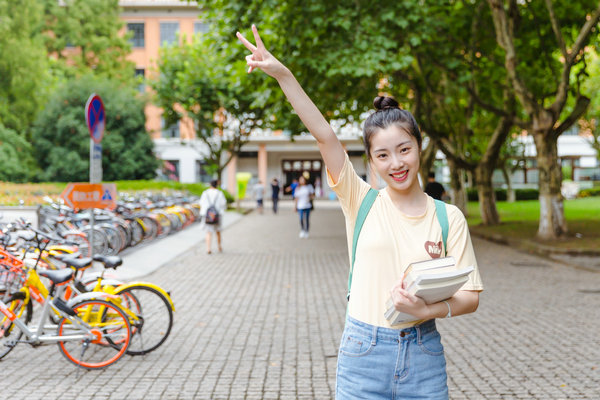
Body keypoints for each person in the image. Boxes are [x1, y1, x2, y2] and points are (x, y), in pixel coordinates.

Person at [238, 25, 483, 399]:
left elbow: (471, 298)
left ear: (420, 148)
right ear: (371, 162)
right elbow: (325, 136)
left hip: (423, 353)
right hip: (362, 353)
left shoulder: (449, 217)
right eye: (382, 155)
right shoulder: (361, 199)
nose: (396, 163)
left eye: (404, 149)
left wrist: (428, 308)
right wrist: (283, 74)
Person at [199, 179, 227, 254]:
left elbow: (201, 203)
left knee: (208, 232)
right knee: (218, 231)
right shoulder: (219, 193)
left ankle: (208, 248)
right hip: (217, 215)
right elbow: (223, 203)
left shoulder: (205, 193)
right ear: (217, 185)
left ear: (210, 185)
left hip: (208, 216)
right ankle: (219, 246)